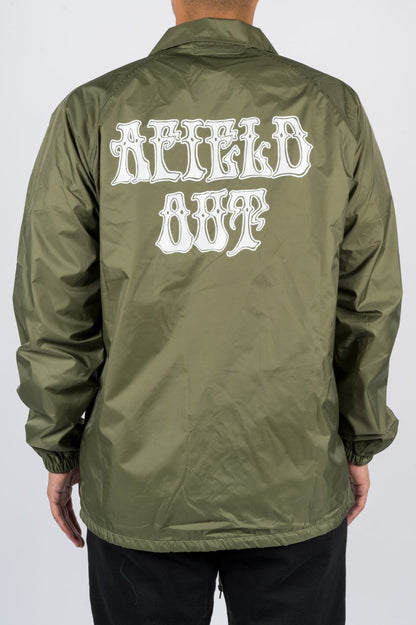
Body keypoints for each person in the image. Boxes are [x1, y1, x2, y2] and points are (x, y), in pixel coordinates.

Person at [12, 0, 402, 623]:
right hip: (292, 473)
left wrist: (59, 445)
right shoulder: (331, 109)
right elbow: (367, 298)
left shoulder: (92, 112)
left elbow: (54, 303)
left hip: (141, 481)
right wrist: (359, 437)